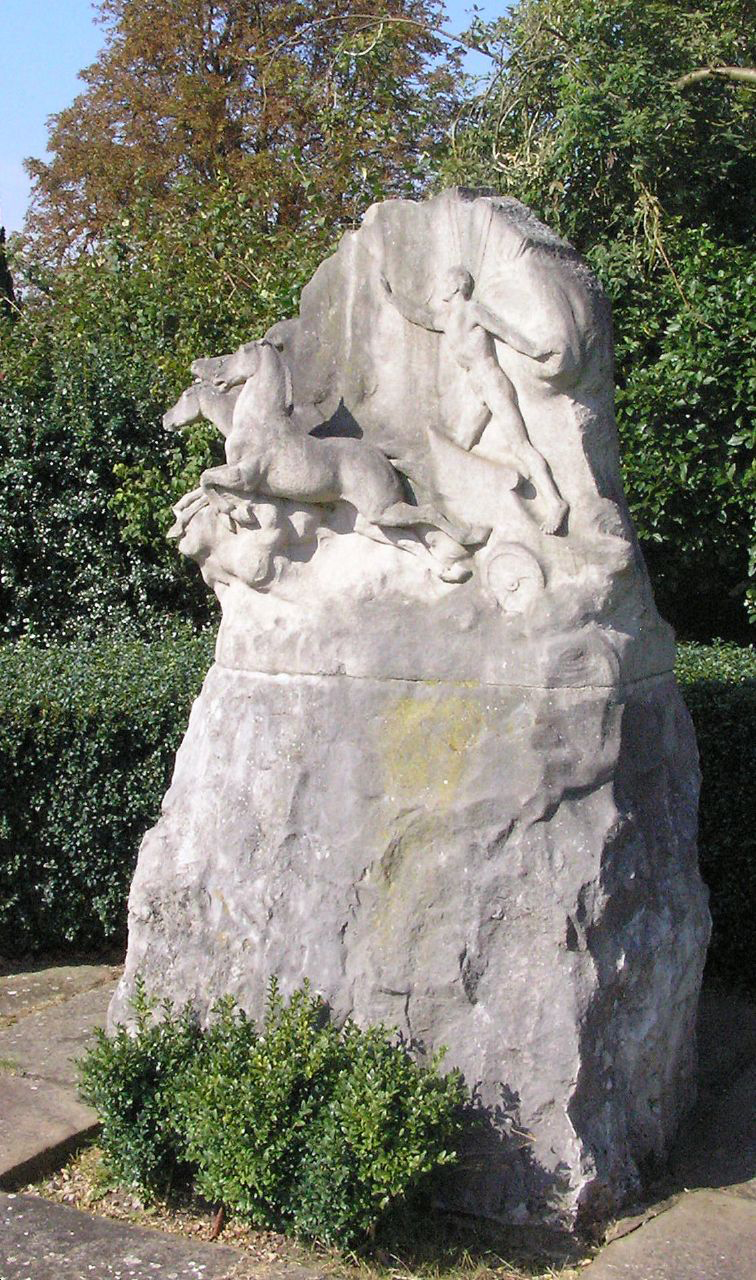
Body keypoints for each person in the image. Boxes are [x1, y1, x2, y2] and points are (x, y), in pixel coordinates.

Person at [380, 265, 568, 535]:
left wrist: (536, 349)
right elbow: (421, 316)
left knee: (521, 445)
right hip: (476, 388)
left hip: (492, 382)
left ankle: (555, 502)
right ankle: (468, 505)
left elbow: (507, 333)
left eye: (444, 281)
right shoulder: (446, 319)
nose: (440, 286)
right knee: (460, 444)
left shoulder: (473, 310)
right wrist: (391, 297)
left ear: (456, 286)